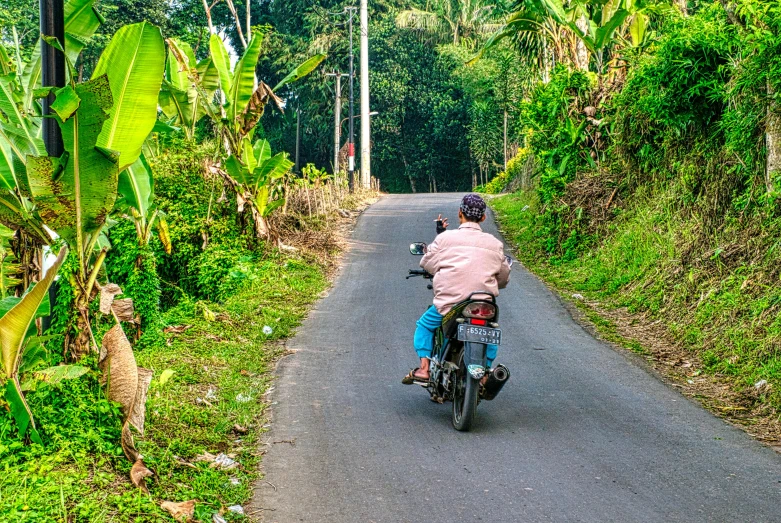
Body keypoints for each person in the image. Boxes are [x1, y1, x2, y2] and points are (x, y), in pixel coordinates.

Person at [403, 194, 511, 384]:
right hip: (482, 305)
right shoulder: (495, 244)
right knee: (491, 330)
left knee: (425, 326)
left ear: (460, 213)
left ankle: (424, 369)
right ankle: (485, 373)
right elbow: (503, 278)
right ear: (483, 217)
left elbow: (427, 263)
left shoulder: (446, 238)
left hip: (450, 304)